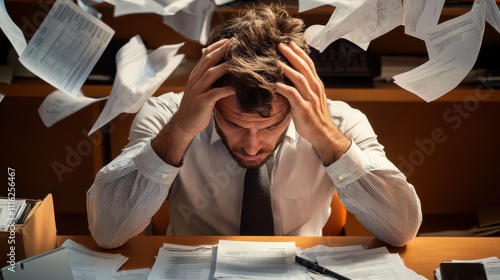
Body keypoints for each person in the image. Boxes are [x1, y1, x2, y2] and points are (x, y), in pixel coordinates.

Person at [87, 4, 422, 249]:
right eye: (233, 123)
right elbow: (108, 231)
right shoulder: (168, 117)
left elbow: (401, 229)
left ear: (293, 106)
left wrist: (326, 138)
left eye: (270, 125)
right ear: (211, 101)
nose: (251, 145)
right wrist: (178, 132)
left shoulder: (339, 123)